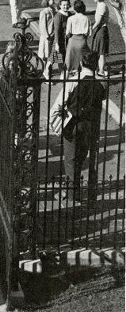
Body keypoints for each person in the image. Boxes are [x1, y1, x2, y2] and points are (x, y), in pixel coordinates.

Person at [49, 51, 106, 203]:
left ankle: (73, 195)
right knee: (80, 159)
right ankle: (73, 189)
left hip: (73, 124)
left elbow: (57, 106)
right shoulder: (101, 84)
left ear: (81, 64)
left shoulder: (73, 81)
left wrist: (56, 124)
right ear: (95, 66)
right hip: (89, 126)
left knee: (70, 160)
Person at [65, 0, 91, 74]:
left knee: (68, 62)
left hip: (72, 41)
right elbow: (89, 33)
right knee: (84, 61)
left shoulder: (70, 18)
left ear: (74, 8)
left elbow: (67, 32)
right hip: (82, 40)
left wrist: (70, 37)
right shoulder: (86, 18)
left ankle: (65, 80)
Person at [91, 0, 109, 75]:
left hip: (101, 29)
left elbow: (98, 21)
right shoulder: (99, 5)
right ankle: (98, 69)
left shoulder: (102, 6)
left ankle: (101, 71)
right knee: (97, 51)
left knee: (101, 52)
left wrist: (90, 29)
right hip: (99, 30)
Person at [51, 0, 71, 71]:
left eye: (67, 5)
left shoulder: (69, 14)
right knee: (55, 58)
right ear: (60, 5)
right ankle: (47, 72)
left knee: (65, 57)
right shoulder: (58, 16)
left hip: (67, 39)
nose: (66, 6)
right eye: (63, 5)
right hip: (59, 40)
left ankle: (64, 73)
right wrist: (57, 43)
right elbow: (56, 30)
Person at [38, 0, 56, 73]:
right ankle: (45, 70)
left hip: (52, 34)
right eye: (52, 0)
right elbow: (42, 25)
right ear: (47, 1)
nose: (54, 1)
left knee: (50, 54)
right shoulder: (44, 12)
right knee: (45, 54)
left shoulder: (53, 10)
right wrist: (46, 35)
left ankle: (48, 70)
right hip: (46, 36)